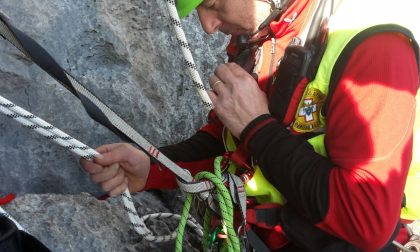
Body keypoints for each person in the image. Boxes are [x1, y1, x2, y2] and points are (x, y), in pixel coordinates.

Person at [80, 0, 420, 251]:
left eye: (213, 5)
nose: (209, 26)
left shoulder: (374, 48)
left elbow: (367, 222)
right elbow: (228, 140)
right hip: (263, 235)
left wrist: (257, 125)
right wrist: (153, 167)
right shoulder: (269, 32)